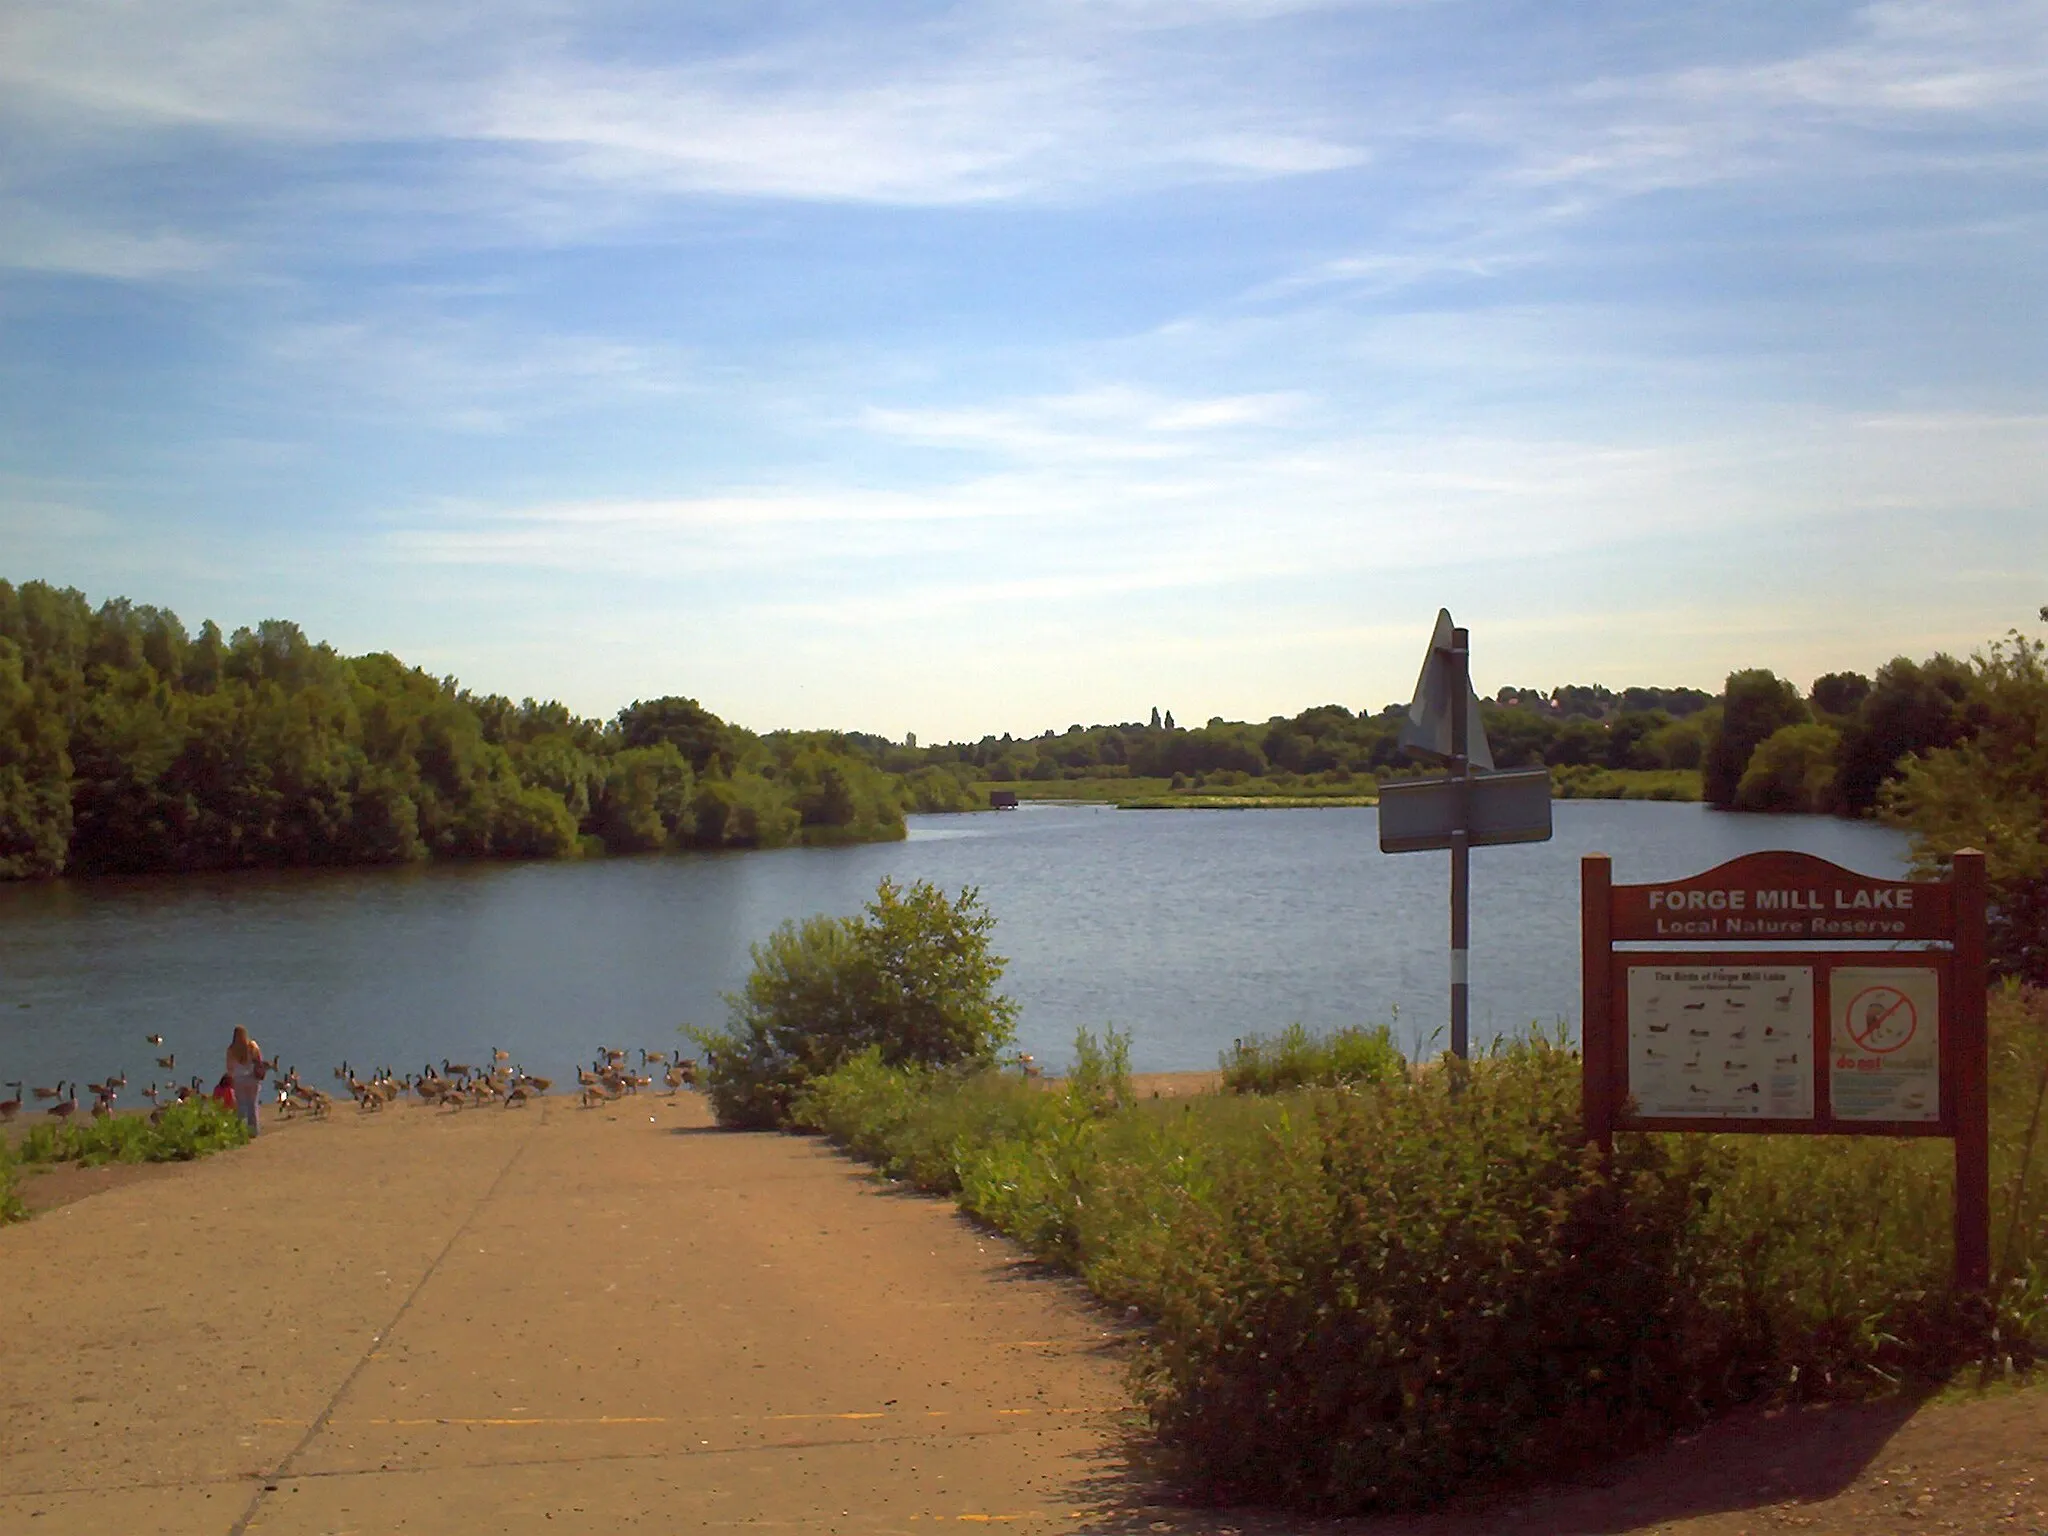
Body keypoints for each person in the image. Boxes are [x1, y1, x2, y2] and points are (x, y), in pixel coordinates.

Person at [225, 1025, 268, 1136]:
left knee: (241, 1106)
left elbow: (229, 1068)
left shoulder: (231, 1050)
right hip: (252, 1079)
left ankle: (240, 1131)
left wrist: (232, 1079)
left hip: (239, 1080)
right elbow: (259, 1061)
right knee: (252, 1105)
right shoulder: (252, 1046)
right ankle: (253, 1131)